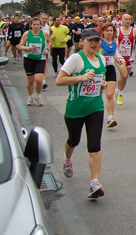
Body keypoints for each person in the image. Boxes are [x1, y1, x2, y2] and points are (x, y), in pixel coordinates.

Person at [55, 28, 108, 199]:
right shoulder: (76, 59)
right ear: (82, 42)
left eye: (96, 40)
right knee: (74, 140)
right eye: (90, 40)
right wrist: (80, 78)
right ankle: (67, 160)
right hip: (75, 109)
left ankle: (95, 183)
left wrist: (102, 84)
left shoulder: (101, 59)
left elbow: (100, 78)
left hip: (95, 107)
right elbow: (59, 80)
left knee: (94, 146)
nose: (94, 44)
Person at [17, 18, 52, 106]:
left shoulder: (44, 34)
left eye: (38, 24)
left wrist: (47, 49)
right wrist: (27, 48)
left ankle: (38, 96)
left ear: (40, 25)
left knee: (39, 80)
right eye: (34, 24)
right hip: (29, 59)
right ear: (31, 25)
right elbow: (20, 46)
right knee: (30, 81)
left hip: (40, 59)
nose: (36, 26)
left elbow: (49, 42)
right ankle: (30, 97)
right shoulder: (27, 34)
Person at [99, 23, 127, 128]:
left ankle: (110, 118)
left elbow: (114, 53)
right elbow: (94, 53)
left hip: (110, 69)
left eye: (111, 31)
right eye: (107, 31)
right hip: (100, 70)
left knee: (109, 95)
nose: (109, 33)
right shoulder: (99, 42)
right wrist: (102, 58)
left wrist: (117, 59)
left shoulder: (114, 43)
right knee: (97, 94)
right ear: (103, 32)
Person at [114, 13, 136, 105]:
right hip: (119, 55)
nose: (128, 21)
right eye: (125, 19)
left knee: (124, 77)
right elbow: (112, 41)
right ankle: (120, 94)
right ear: (121, 20)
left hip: (130, 55)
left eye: (129, 19)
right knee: (124, 75)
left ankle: (118, 90)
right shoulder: (117, 30)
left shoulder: (134, 31)